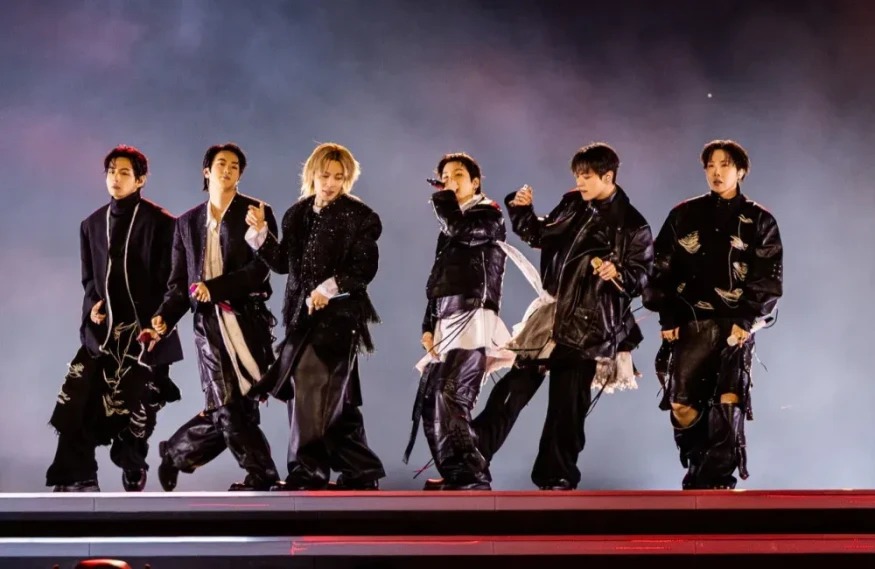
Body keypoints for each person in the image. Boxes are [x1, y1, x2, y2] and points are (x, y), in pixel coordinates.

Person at [429, 142, 652, 490]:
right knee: (511, 391)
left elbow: (643, 275)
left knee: (567, 405)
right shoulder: (573, 202)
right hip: (551, 314)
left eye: (587, 176)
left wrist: (619, 273)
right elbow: (540, 235)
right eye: (578, 175)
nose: (579, 182)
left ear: (608, 176)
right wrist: (523, 211)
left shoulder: (631, 223)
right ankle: (470, 465)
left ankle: (556, 477)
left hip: (590, 322)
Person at [245, 142, 385, 490]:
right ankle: (361, 470)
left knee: (310, 385)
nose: (331, 183)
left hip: (339, 320)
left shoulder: (361, 216)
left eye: (339, 177)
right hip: (301, 319)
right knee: (330, 398)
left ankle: (308, 472)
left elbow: (364, 269)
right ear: (312, 174)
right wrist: (260, 233)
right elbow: (283, 264)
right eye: (325, 176)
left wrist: (328, 288)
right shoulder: (297, 214)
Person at [643, 139, 783, 490]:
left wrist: (747, 321)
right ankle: (699, 469)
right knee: (681, 405)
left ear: (741, 170)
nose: (717, 172)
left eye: (725, 165)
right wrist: (667, 316)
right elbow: (659, 267)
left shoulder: (760, 220)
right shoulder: (683, 215)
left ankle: (714, 482)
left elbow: (768, 277)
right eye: (710, 166)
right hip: (690, 323)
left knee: (728, 405)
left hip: (735, 326)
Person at [46, 145, 182, 492]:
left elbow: (174, 280)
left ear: (140, 179)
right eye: (111, 172)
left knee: (136, 408)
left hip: (145, 334)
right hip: (104, 334)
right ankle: (79, 476)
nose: (116, 178)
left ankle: (132, 461)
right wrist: (93, 303)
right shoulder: (91, 224)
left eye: (124, 173)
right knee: (77, 398)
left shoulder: (163, 224)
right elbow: (89, 280)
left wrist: (162, 320)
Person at [151, 143, 280, 492]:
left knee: (241, 408)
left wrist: (215, 287)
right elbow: (179, 284)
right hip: (209, 327)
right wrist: (164, 318)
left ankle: (176, 452)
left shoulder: (257, 212)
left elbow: (260, 271)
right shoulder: (187, 223)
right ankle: (262, 475)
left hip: (248, 321)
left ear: (240, 175)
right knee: (227, 405)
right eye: (221, 163)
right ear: (207, 171)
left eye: (234, 165)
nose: (227, 169)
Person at [403, 153, 514, 491]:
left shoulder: (489, 215)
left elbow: (461, 231)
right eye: (446, 177)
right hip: (446, 317)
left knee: (452, 395)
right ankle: (456, 473)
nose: (451, 181)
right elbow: (440, 278)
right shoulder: (452, 223)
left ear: (475, 182)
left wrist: (443, 201)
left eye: (459, 175)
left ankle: (472, 474)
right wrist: (428, 325)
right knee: (432, 400)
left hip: (473, 315)